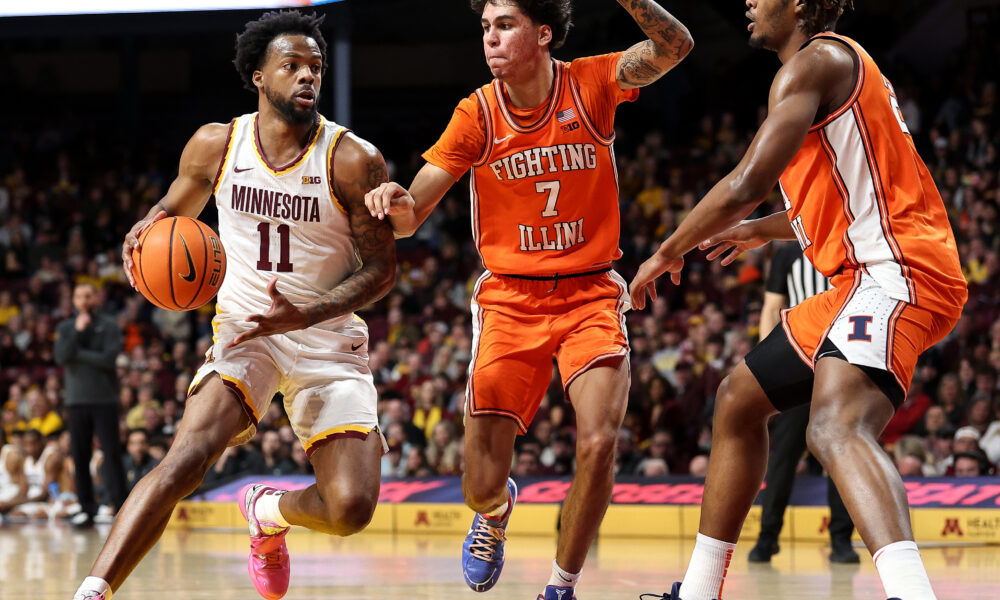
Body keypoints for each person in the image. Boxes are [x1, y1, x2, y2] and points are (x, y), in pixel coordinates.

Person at [629, 1, 967, 599]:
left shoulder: (816, 61)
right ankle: (701, 591)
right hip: (861, 279)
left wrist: (667, 250)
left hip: (895, 271)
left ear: (803, 3)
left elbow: (746, 182)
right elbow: (843, 197)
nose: (748, 2)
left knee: (836, 426)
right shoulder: (837, 71)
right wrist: (763, 230)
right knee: (737, 399)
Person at [365, 1, 693, 598]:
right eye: (485, 28)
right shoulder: (476, 113)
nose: (489, 39)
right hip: (510, 301)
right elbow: (412, 216)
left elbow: (675, 48)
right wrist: (393, 196)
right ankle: (494, 512)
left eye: (504, 25)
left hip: (590, 292)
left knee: (599, 442)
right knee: (479, 484)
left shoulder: (592, 82)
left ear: (543, 34)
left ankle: (561, 587)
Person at [71, 10, 396, 600]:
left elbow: (383, 271)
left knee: (350, 510)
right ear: (257, 76)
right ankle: (94, 590)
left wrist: (309, 312)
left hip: (326, 335)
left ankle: (268, 510)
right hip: (248, 331)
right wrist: (145, 231)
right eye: (291, 66)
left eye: (315, 67)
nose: (307, 77)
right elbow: (174, 210)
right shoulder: (217, 144)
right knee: (186, 458)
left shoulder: (353, 160)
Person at [747, 242, 859, 564]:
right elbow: (771, 308)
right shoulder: (787, 253)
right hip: (799, 358)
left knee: (840, 452)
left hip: (842, 360)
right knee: (783, 457)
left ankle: (841, 540)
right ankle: (768, 537)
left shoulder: (849, 245)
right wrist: (767, 360)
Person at [54, 282, 127, 529]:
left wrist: (78, 354)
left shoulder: (108, 325)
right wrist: (76, 332)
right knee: (80, 455)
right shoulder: (66, 327)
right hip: (76, 400)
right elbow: (61, 356)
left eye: (88, 295)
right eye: (79, 296)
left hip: (104, 398)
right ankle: (86, 509)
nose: (84, 300)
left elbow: (108, 359)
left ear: (96, 298)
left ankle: (121, 506)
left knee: (111, 454)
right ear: (73, 300)